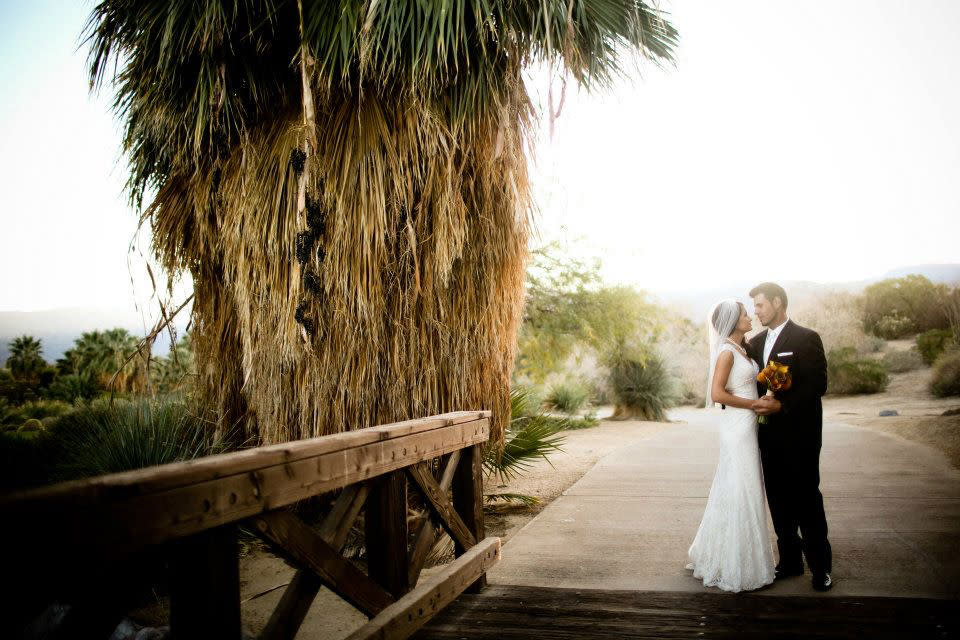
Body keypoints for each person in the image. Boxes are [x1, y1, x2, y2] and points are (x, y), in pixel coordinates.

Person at [747, 282, 833, 592]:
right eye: (754, 307)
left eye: (760, 305)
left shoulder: (806, 338)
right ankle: (790, 561)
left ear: (778, 302)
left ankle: (821, 568)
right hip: (768, 437)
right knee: (779, 501)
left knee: (807, 500)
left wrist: (782, 403)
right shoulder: (754, 343)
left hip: (801, 436)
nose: (756, 312)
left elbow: (817, 385)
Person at [686, 299, 775, 592]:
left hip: (747, 425)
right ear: (733, 321)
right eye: (744, 314)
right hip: (736, 428)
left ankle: (737, 555)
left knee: (744, 486)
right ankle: (735, 564)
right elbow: (717, 393)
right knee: (740, 486)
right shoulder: (726, 352)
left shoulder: (743, 349)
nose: (750, 317)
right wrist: (753, 403)